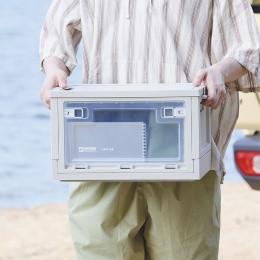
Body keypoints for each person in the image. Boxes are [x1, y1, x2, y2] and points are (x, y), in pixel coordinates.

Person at [39, 1, 260, 259]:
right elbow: (56, 30)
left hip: (186, 155)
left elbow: (248, 50)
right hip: (101, 156)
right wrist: (54, 68)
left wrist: (219, 71)